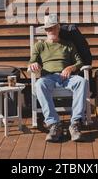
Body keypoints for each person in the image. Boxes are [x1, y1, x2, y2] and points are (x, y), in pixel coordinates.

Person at [28, 14, 88, 142]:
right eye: (48, 29)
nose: (51, 31)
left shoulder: (68, 44)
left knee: (81, 82)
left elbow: (80, 62)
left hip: (66, 76)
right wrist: (34, 65)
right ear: (45, 30)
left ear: (58, 27)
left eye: (53, 27)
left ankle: (75, 123)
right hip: (48, 77)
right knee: (39, 84)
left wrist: (70, 68)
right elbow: (32, 62)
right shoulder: (40, 46)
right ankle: (54, 124)